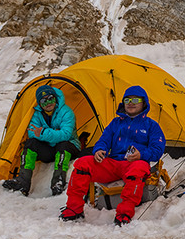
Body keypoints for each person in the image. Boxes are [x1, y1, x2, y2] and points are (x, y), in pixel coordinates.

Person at [59, 85, 165, 226]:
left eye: (135, 100)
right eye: (127, 100)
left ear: (144, 103)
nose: (131, 103)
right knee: (82, 163)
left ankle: (124, 213)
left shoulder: (152, 125)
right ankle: (74, 209)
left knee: (139, 168)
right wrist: (99, 150)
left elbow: (157, 150)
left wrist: (141, 155)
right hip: (113, 164)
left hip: (134, 163)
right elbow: (104, 140)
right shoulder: (116, 123)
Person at [2, 85, 81, 196]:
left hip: (69, 147)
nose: (48, 103)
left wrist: (43, 133)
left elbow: (66, 135)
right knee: (31, 143)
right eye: (44, 101)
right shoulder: (36, 114)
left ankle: (58, 182)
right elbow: (32, 133)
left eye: (51, 98)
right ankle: (22, 182)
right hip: (50, 148)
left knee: (63, 144)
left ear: (55, 98)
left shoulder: (66, 112)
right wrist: (54, 132)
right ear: (39, 103)